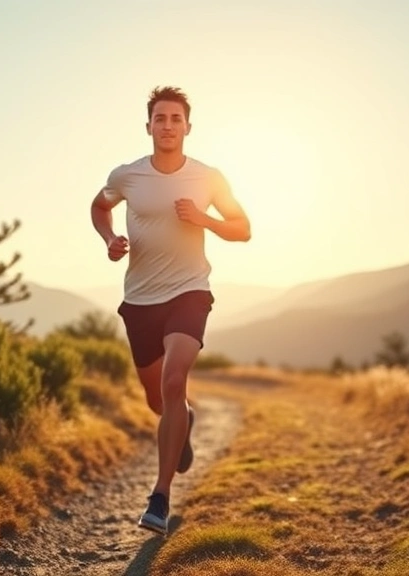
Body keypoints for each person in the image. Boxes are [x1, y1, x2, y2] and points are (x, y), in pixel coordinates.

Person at [89, 86, 251, 536]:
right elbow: (100, 206)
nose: (167, 126)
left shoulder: (208, 178)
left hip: (189, 291)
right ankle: (183, 421)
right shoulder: (126, 176)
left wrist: (205, 220)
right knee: (157, 399)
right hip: (140, 298)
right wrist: (110, 240)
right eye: (159, 119)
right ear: (149, 127)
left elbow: (243, 229)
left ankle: (159, 497)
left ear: (187, 127)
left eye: (175, 119)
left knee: (174, 379)